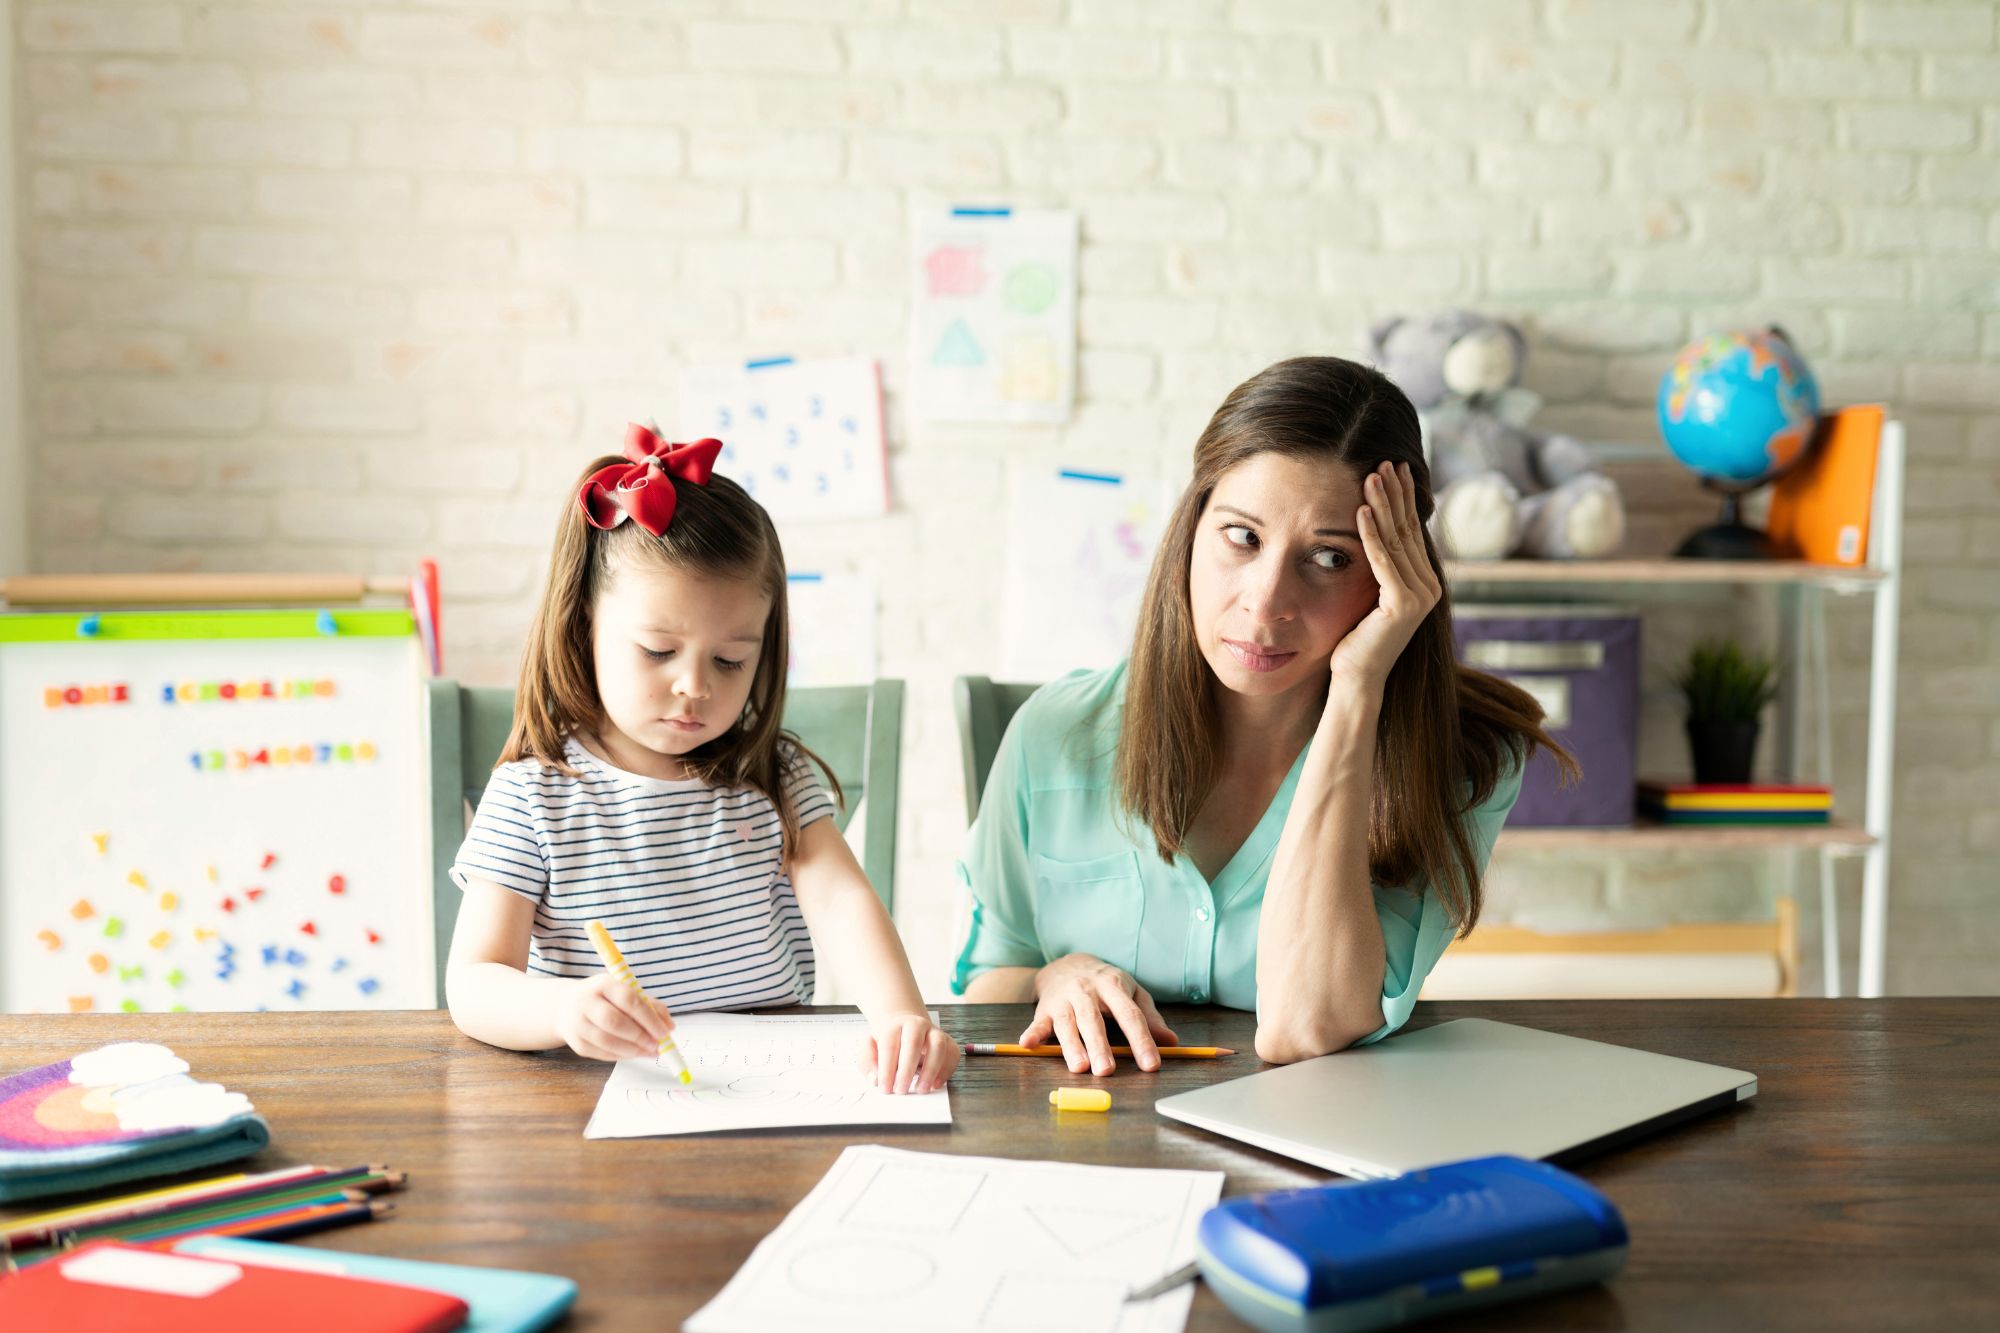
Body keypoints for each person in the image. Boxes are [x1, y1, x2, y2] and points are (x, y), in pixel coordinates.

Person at [951, 357, 1571, 1074]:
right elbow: (980, 987)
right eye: (1242, 537)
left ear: (1394, 574)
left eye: (1331, 558)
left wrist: (1359, 684)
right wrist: (1052, 976)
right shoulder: (1054, 732)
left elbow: (1307, 1025)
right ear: (1191, 530)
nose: (1266, 599)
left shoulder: (1463, 760)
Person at [448, 425, 958, 1095]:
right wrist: (563, 1008)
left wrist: (900, 1016)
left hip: (767, 1089)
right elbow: (475, 983)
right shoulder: (536, 795)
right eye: (658, 651)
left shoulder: (773, 776)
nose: (696, 685)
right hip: (591, 1098)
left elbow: (839, 900)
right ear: (584, 627)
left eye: (730, 660)